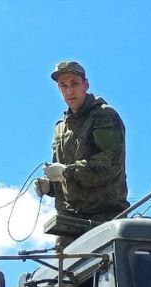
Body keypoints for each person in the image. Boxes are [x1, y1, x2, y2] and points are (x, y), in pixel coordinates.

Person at [34, 60, 128, 231]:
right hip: (69, 222)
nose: (69, 91)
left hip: (104, 217)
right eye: (63, 86)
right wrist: (50, 186)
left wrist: (66, 171)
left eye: (74, 84)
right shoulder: (61, 129)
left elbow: (110, 163)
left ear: (86, 84)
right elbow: (65, 178)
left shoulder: (104, 116)